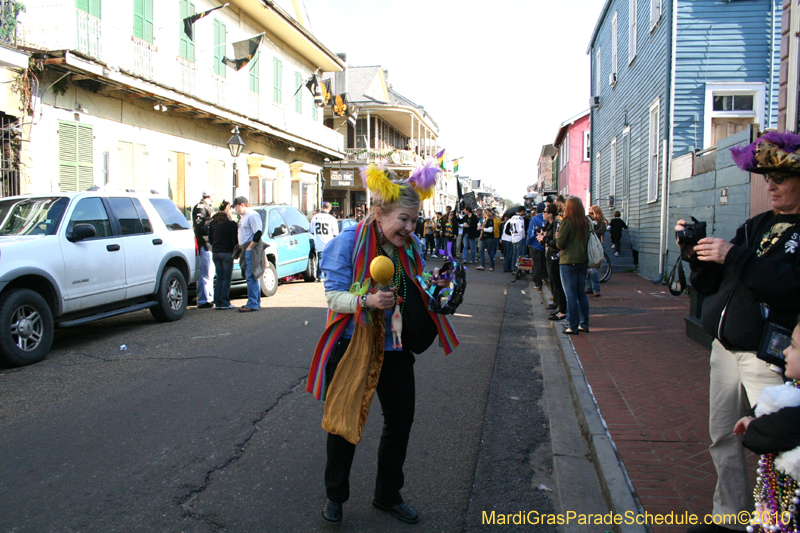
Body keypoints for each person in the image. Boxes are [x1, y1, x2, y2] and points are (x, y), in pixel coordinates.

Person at [307, 163, 459, 526]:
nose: (409, 228)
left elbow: (417, 283)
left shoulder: (412, 245)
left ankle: (387, 495)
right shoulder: (347, 243)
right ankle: (335, 496)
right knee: (343, 423)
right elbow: (333, 298)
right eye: (404, 220)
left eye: (414, 221)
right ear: (380, 214)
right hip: (353, 343)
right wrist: (367, 302)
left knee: (400, 421)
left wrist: (438, 287)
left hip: (395, 346)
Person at [680, 131, 800, 533]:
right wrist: (696, 253)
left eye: (780, 178)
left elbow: (787, 285)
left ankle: (780, 522)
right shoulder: (758, 223)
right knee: (723, 436)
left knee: (782, 445)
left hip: (769, 354)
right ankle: (729, 517)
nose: (771, 185)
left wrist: (735, 257)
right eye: (767, 177)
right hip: (725, 348)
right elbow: (714, 280)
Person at [734, 317, 800, 533]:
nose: (785, 352)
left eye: (794, 346)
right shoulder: (793, 389)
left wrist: (754, 425)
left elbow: (772, 433)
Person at [556, 197, 590, 335]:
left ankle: (573, 325)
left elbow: (560, 244)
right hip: (582, 260)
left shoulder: (567, 222)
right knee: (581, 293)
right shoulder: (585, 222)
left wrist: (558, 236)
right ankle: (584, 323)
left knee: (570, 295)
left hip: (568, 261)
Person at [232, 196, 263, 312]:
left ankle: (253, 303)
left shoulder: (252, 215)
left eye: (236, 207)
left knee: (251, 276)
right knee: (251, 275)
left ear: (242, 205)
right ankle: (255, 301)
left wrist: (250, 248)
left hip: (251, 248)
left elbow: (258, 232)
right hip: (246, 248)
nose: (235, 209)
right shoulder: (244, 216)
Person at [208, 200, 238, 310]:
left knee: (219, 277)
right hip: (227, 252)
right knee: (226, 278)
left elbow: (210, 239)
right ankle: (225, 301)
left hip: (216, 252)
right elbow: (234, 240)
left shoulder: (213, 224)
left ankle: (218, 302)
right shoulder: (231, 224)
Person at [540, 203, 566, 321]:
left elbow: (556, 243)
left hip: (555, 256)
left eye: (545, 212)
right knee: (553, 281)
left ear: (550, 214)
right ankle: (556, 303)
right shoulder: (549, 224)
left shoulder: (556, 224)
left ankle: (561, 308)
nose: (543, 214)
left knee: (557, 281)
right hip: (550, 254)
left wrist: (544, 239)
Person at [192, 191, 216, 309]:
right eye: (214, 194)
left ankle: (209, 298)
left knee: (210, 273)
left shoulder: (208, 207)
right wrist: (214, 228)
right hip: (204, 244)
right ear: (210, 195)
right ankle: (203, 300)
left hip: (209, 244)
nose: (214, 196)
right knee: (205, 273)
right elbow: (199, 226)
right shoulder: (200, 208)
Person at [310, 202, 339, 282]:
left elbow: (311, 231)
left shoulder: (315, 217)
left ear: (322, 207)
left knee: (320, 259)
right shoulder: (332, 219)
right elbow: (335, 233)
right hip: (329, 241)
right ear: (330, 209)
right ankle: (327, 276)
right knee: (329, 260)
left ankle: (320, 276)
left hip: (318, 241)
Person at [585, 205, 607, 297]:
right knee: (588, 267)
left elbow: (601, 231)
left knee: (593, 268)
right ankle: (589, 287)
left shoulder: (602, 222)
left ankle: (596, 289)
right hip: (589, 245)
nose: (590, 215)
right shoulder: (590, 221)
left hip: (596, 245)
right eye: (589, 213)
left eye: (592, 213)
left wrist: (591, 232)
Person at [526, 204, 546, 290]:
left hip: (535, 245)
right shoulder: (547, 220)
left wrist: (528, 243)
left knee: (536, 265)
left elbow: (530, 233)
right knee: (544, 264)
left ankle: (538, 283)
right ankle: (546, 278)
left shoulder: (534, 219)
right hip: (545, 245)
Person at [509, 207, 526, 277]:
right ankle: (518, 270)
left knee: (514, 254)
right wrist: (523, 236)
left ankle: (513, 269)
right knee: (519, 255)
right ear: (522, 211)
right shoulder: (520, 219)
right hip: (519, 237)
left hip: (513, 237)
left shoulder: (512, 218)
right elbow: (521, 230)